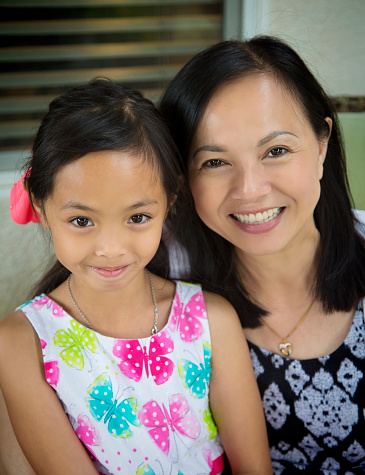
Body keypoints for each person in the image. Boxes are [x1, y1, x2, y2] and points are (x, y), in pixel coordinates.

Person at [0, 78, 272, 475]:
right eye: (81, 220)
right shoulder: (21, 342)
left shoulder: (211, 320)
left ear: (170, 202)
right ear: (40, 206)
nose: (111, 247)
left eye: (138, 217)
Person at [159, 36, 365, 474]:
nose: (250, 190)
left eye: (276, 151)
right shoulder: (162, 283)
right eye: (214, 162)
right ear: (181, 177)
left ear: (322, 143)